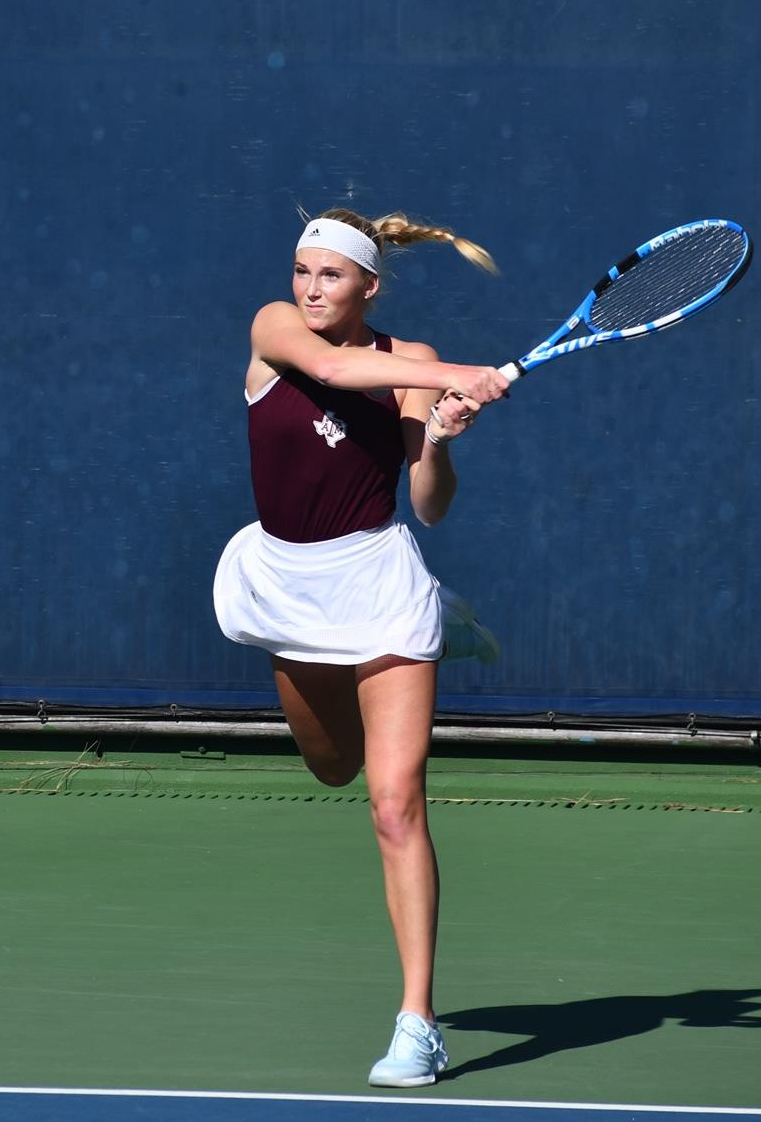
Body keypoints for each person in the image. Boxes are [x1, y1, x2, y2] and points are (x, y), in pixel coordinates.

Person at [212, 208, 509, 1087]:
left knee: (393, 803)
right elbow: (340, 369)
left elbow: (429, 503)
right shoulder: (275, 330)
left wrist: (443, 436)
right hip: (290, 588)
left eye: (330, 276)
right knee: (332, 766)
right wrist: (473, 372)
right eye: (303, 270)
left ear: (369, 286)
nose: (309, 288)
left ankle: (417, 1021)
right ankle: (440, 629)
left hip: (377, 582)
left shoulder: (412, 365)